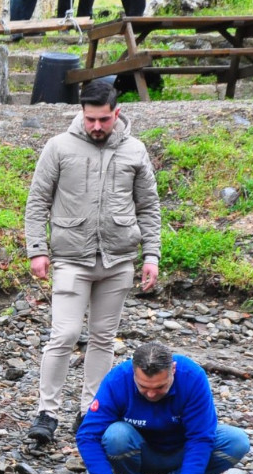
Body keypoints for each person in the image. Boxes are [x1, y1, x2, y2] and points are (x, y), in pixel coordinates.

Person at [24, 81, 161, 444]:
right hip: (71, 258)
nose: (96, 126)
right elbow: (38, 200)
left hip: (118, 261)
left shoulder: (135, 150)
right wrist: (37, 248)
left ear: (116, 113)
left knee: (103, 338)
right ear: (81, 114)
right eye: (90, 119)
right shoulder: (58, 147)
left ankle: (91, 410)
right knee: (65, 334)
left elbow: (148, 207)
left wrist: (152, 255)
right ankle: (47, 412)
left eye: (103, 119)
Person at [77, 342, 250, 474]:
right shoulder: (118, 380)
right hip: (136, 452)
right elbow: (87, 436)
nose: (151, 395)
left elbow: (200, 438)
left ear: (173, 370)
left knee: (237, 441)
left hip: (180, 452)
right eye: (143, 387)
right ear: (134, 372)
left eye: (159, 387)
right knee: (116, 434)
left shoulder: (193, 377)